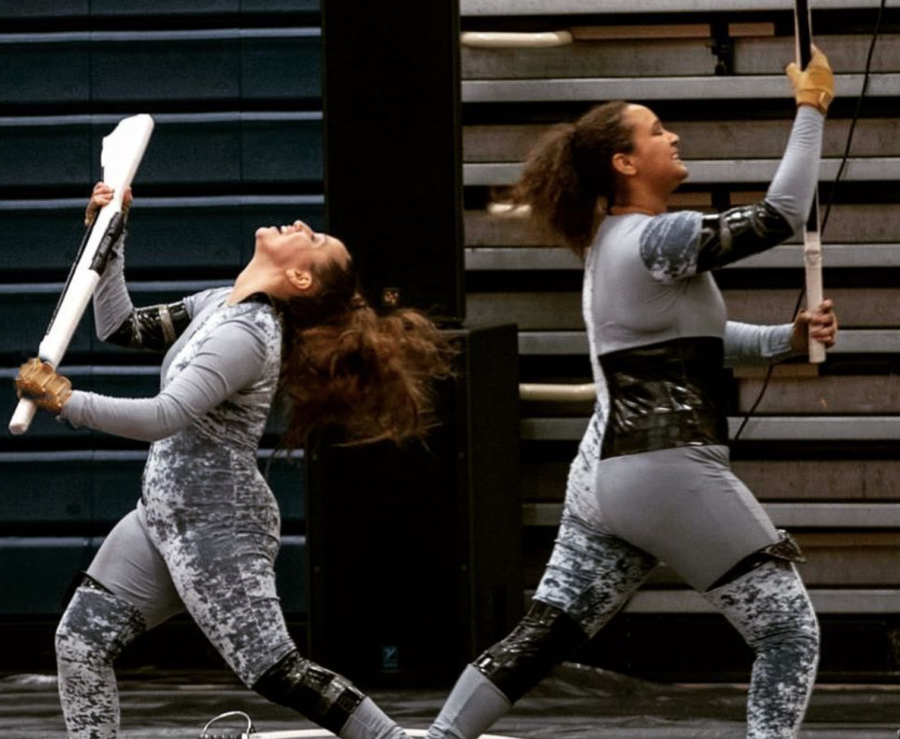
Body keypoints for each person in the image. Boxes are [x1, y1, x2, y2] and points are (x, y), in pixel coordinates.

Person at [425, 49, 837, 739]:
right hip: (667, 470)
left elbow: (697, 335)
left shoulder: (614, 245)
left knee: (546, 632)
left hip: (605, 479)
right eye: (656, 130)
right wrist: (810, 109)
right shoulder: (656, 238)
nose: (673, 136)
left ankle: (440, 738)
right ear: (624, 162)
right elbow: (781, 215)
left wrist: (781, 341)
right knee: (788, 631)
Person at [16, 182, 453, 739]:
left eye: (312, 237)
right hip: (162, 515)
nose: (299, 225)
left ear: (301, 278)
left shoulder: (249, 335)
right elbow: (117, 326)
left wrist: (65, 400)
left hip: (220, 525)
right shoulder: (219, 302)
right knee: (80, 642)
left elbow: (163, 415)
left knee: (274, 670)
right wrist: (109, 235)